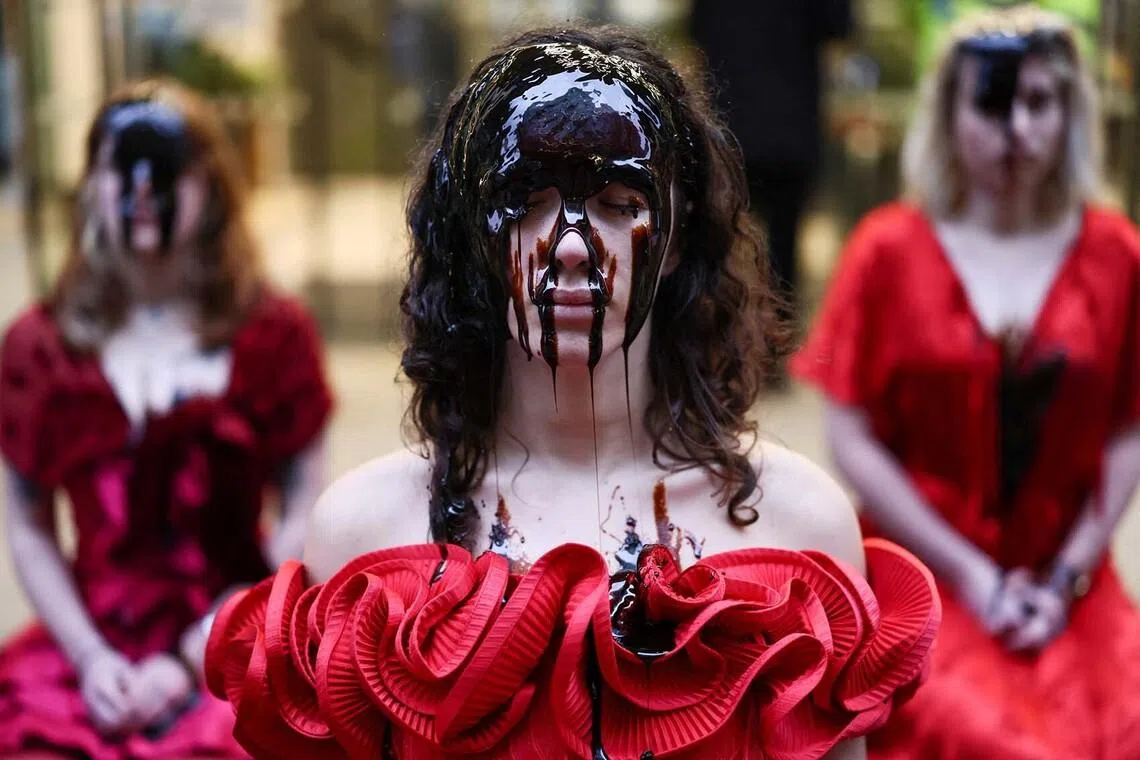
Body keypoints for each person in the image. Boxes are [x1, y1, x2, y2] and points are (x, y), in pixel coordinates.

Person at [205, 26, 938, 759]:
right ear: (472, 237)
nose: (572, 245)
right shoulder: (364, 540)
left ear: (680, 233)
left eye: (621, 203)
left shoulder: (799, 531)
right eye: (527, 201)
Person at [793, 6, 1140, 758]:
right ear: (948, 113)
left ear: (1072, 111)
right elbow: (850, 435)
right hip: (925, 578)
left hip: (1070, 586)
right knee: (979, 734)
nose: (1017, 129)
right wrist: (974, 576)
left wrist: (1067, 580)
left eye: (1040, 102)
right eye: (991, 102)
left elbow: (1127, 430)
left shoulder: (1117, 254)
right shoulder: (886, 250)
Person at [0, 80, 334, 759]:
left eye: (165, 170)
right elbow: (27, 527)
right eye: (121, 169)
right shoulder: (39, 347)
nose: (141, 192)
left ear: (209, 186)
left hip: (237, 638)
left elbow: (307, 514)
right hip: (88, 652)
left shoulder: (275, 334)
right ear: (90, 185)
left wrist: (198, 653)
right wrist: (94, 661)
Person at [689, 0, 853, 337]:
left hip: (728, 122)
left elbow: (698, 30)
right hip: (790, 122)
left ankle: (721, 342)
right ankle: (774, 343)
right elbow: (839, 26)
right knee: (783, 247)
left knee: (720, 243)